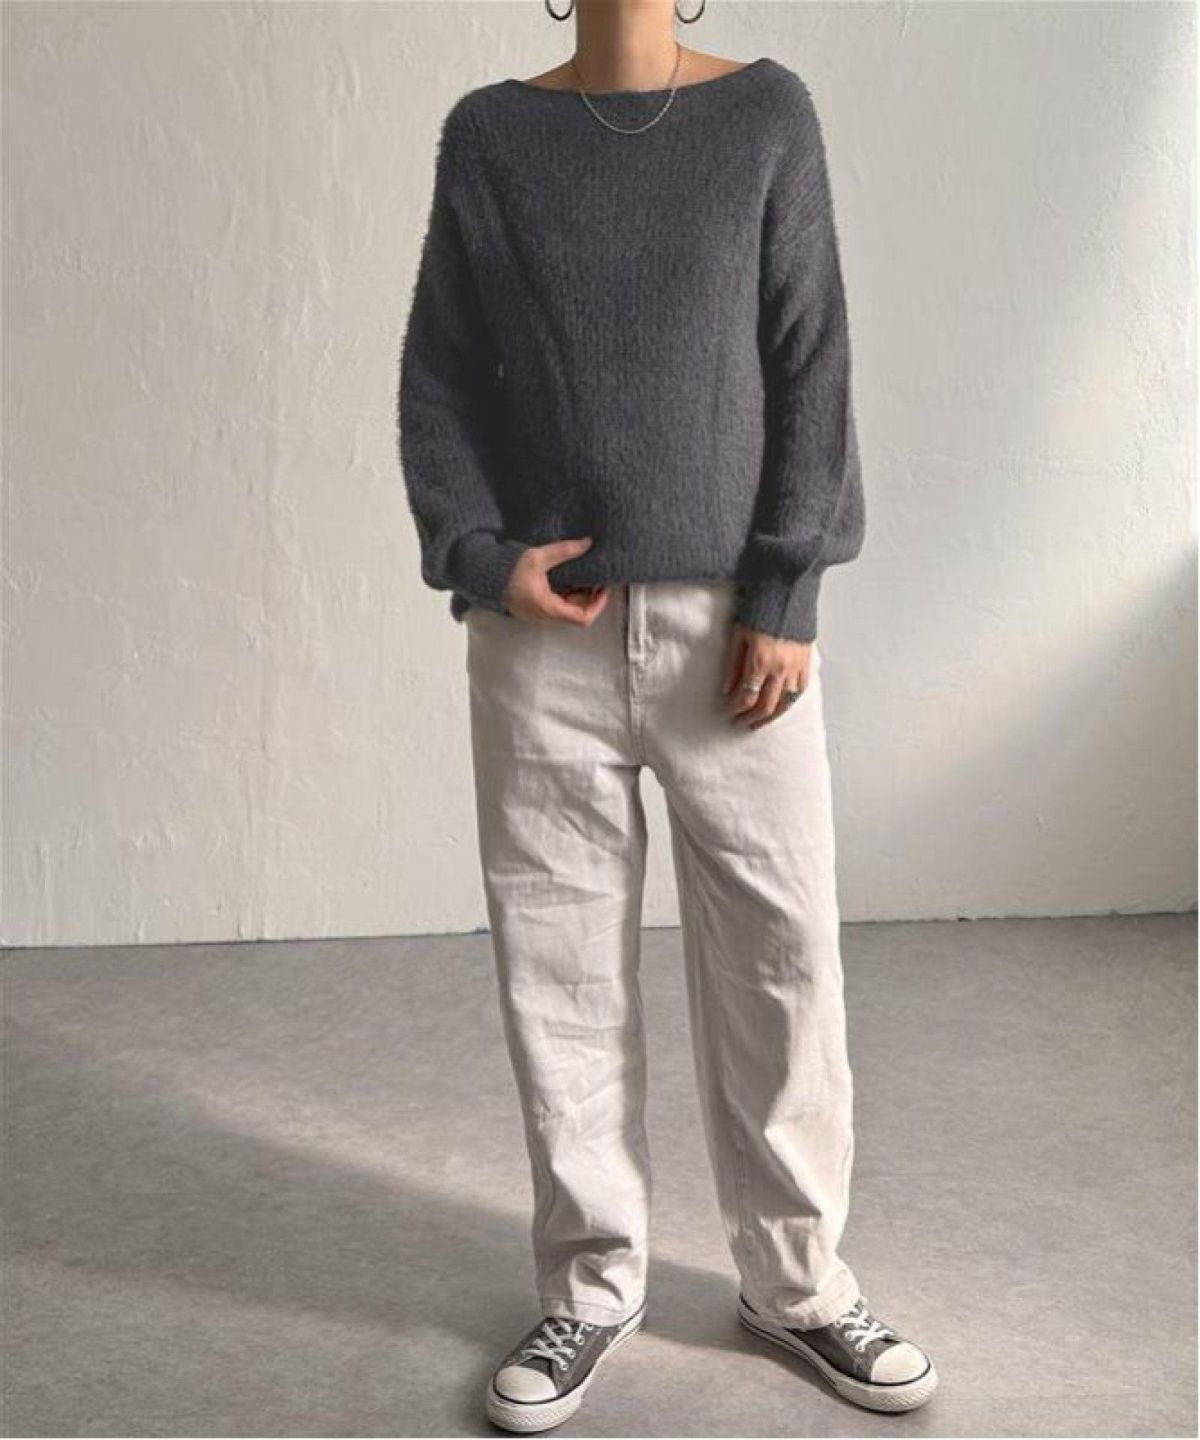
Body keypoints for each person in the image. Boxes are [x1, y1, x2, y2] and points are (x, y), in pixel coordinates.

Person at [397, 1, 937, 1430]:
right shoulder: (491, 138)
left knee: (781, 958)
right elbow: (439, 376)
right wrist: (481, 557)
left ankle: (798, 1284)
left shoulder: (766, 117)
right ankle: (589, 1286)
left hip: (733, 635)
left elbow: (810, 356)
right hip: (543, 635)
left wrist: (789, 592)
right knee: (560, 971)